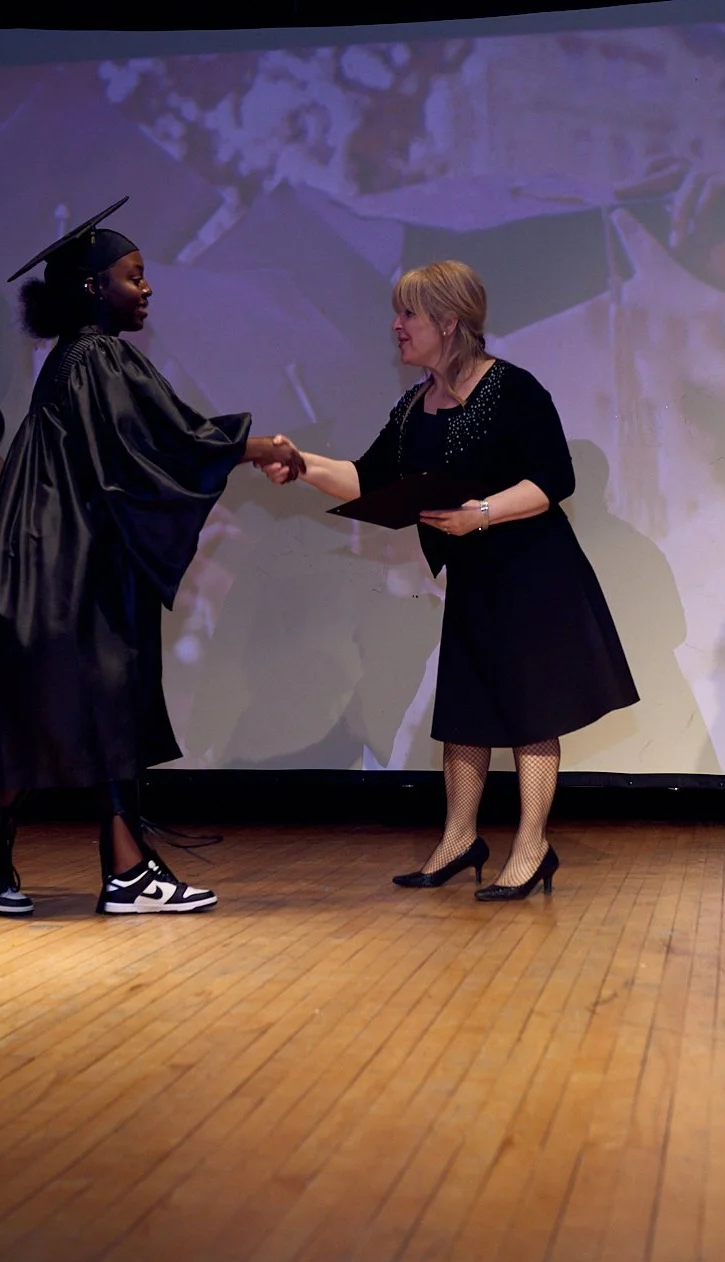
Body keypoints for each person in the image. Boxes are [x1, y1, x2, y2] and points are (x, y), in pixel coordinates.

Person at [0, 199, 299, 917]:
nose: (147, 288)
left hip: (62, 555)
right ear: (92, 286)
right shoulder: (97, 356)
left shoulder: (77, 358)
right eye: (133, 276)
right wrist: (255, 445)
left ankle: (109, 869)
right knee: (63, 707)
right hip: (56, 563)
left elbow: (139, 446)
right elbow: (163, 438)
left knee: (94, 706)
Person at [256, 261, 638, 899]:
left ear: (449, 321)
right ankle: (460, 839)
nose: (396, 326)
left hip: (533, 575)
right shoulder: (415, 405)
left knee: (530, 710)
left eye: (409, 313)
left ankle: (533, 846)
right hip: (473, 577)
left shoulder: (512, 389)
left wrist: (479, 514)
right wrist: (302, 464)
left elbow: (554, 479)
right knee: (465, 710)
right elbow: (370, 478)